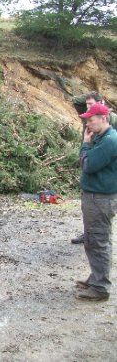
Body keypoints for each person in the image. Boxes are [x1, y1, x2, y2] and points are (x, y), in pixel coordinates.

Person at [75, 103, 117, 301]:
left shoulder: (110, 140)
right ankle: (96, 278)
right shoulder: (99, 138)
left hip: (101, 198)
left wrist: (85, 146)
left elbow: (88, 165)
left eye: (91, 120)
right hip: (94, 196)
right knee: (92, 240)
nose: (88, 124)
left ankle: (100, 288)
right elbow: (84, 161)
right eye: (87, 121)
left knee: (99, 241)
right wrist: (87, 147)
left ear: (104, 119)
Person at [70, 93, 117, 244]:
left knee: (101, 238)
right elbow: (75, 101)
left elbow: (92, 163)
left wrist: (100, 104)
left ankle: (95, 237)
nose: (87, 107)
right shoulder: (90, 118)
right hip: (90, 157)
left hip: (102, 169)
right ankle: (88, 233)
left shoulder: (110, 123)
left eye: (91, 104)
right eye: (87, 104)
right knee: (89, 209)